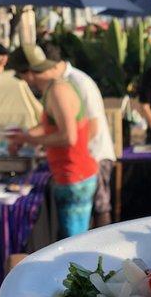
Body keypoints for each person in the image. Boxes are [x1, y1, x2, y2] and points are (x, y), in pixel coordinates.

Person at [7, 44, 98, 238]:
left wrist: (27, 138)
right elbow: (52, 126)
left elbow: (68, 137)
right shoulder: (54, 88)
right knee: (73, 240)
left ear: (29, 73)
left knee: (74, 244)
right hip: (72, 175)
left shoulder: (58, 91)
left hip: (75, 175)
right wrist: (25, 136)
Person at [41, 42, 116, 227]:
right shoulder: (62, 83)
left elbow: (94, 124)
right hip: (86, 156)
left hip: (96, 154)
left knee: (101, 207)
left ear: (52, 65)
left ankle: (106, 249)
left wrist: (77, 152)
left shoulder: (77, 82)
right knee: (89, 212)